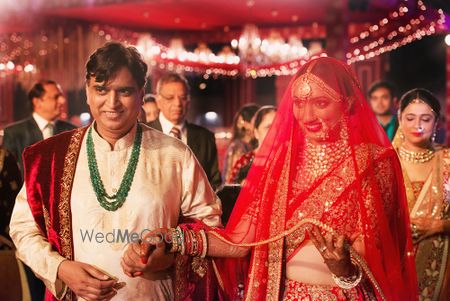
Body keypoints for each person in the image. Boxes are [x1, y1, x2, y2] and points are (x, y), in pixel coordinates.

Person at [139, 57, 418, 300]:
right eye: (299, 103)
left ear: (346, 103)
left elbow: (381, 257)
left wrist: (345, 270)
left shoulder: (374, 163)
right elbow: (240, 241)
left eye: (321, 103)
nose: (307, 115)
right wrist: (175, 238)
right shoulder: (284, 159)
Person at [9, 41, 222, 301]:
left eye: (124, 91)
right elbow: (23, 229)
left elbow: (209, 224)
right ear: (87, 91)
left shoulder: (175, 155)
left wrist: (169, 254)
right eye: (101, 89)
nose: (112, 102)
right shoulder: (52, 157)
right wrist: (61, 269)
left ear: (142, 94)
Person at [392, 88, 449, 300]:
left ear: (436, 123)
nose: (418, 125)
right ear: (399, 119)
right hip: (394, 262)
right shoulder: (385, 162)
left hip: (441, 264)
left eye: (425, 119)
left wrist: (440, 225)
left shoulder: (447, 162)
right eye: (410, 118)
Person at [148, 73, 221, 189]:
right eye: (170, 98)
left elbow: (214, 183)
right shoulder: (144, 134)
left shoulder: (205, 137)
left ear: (189, 100)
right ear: (158, 101)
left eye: (183, 98)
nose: (177, 104)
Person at [3, 80, 76, 174]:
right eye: (56, 97)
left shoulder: (71, 131)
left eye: (61, 96)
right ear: (37, 102)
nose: (62, 100)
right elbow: (7, 173)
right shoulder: (14, 133)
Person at [228, 105, 276, 184]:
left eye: (278, 126)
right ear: (256, 132)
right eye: (268, 127)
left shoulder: (288, 160)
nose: (275, 131)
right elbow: (232, 192)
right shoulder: (245, 162)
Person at [222, 103, 260, 183]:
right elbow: (231, 179)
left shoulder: (250, 146)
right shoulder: (237, 147)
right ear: (243, 123)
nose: (258, 125)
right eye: (256, 121)